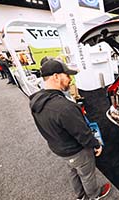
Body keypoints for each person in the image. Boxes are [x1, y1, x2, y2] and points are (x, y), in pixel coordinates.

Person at [29, 59, 111, 200]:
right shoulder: (64, 107)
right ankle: (94, 195)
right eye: (67, 75)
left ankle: (80, 196)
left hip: (60, 149)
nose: (70, 79)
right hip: (76, 150)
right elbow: (82, 134)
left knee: (73, 171)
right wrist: (95, 145)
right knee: (86, 174)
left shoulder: (36, 100)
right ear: (56, 76)